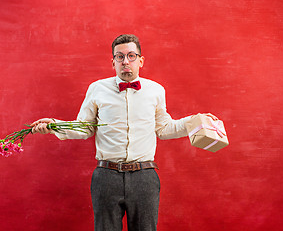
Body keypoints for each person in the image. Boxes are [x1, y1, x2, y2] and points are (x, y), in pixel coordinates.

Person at [31, 34, 218, 231]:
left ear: (141, 60)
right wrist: (54, 125)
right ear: (113, 62)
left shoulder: (156, 90)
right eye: (119, 57)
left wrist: (195, 120)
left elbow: (164, 129)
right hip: (106, 177)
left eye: (131, 56)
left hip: (144, 176)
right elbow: (85, 127)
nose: (125, 61)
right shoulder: (97, 88)